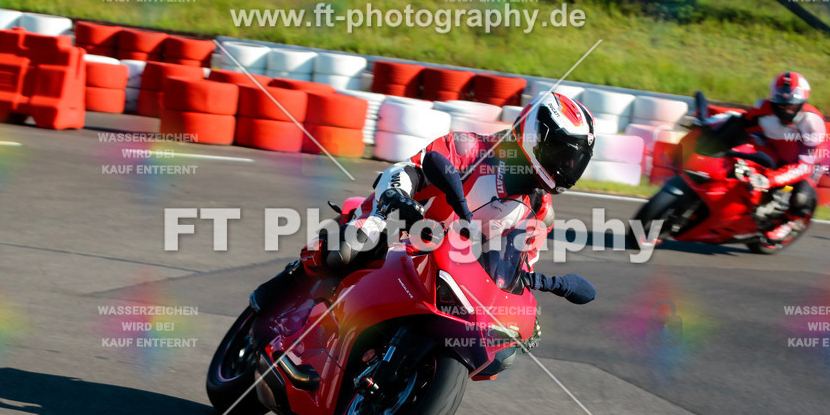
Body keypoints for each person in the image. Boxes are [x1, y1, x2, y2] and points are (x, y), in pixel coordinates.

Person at [250, 91, 598, 324]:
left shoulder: (540, 211)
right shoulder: (472, 149)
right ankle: (290, 281)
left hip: (449, 268)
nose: (566, 167)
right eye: (562, 155)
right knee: (350, 249)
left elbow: (517, 269)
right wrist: (397, 198)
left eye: (574, 160)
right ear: (535, 136)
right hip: (398, 224)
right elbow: (408, 169)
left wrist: (520, 306)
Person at [735, 71, 826, 241]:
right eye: (781, 104)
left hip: (807, 162)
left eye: (791, 104)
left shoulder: (812, 122)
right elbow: (739, 123)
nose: (786, 108)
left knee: (801, 197)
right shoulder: (763, 108)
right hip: (775, 151)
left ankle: (792, 222)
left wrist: (769, 180)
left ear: (801, 102)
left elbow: (804, 167)